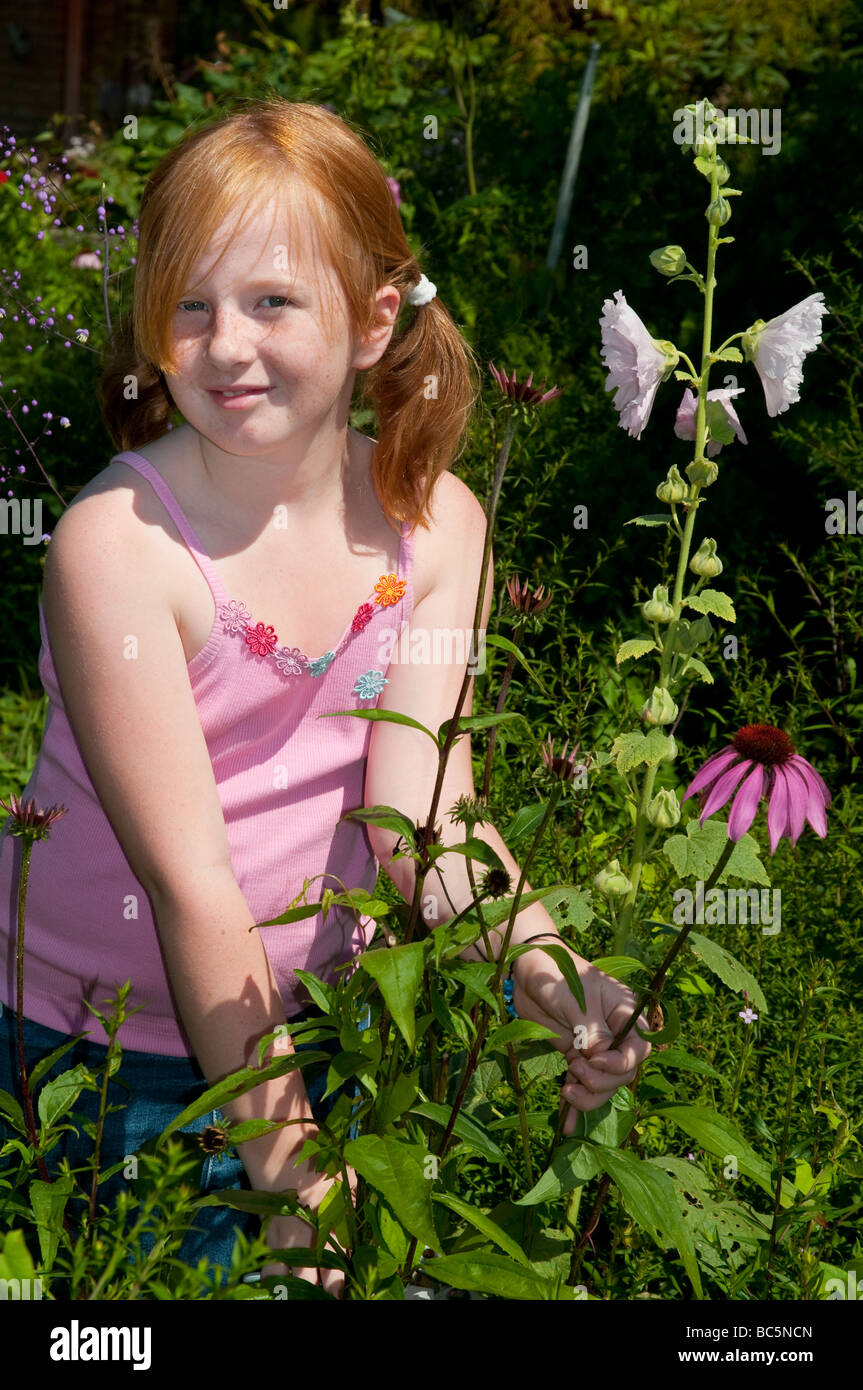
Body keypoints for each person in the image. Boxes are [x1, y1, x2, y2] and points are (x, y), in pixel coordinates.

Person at [0, 98, 650, 1297]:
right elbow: (191, 886)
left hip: (319, 1035)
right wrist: (297, 1177)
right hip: (95, 1060)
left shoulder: (438, 522)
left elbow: (429, 816)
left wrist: (553, 978)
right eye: (188, 305)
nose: (225, 345)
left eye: (272, 302)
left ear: (371, 319)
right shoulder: (118, 546)